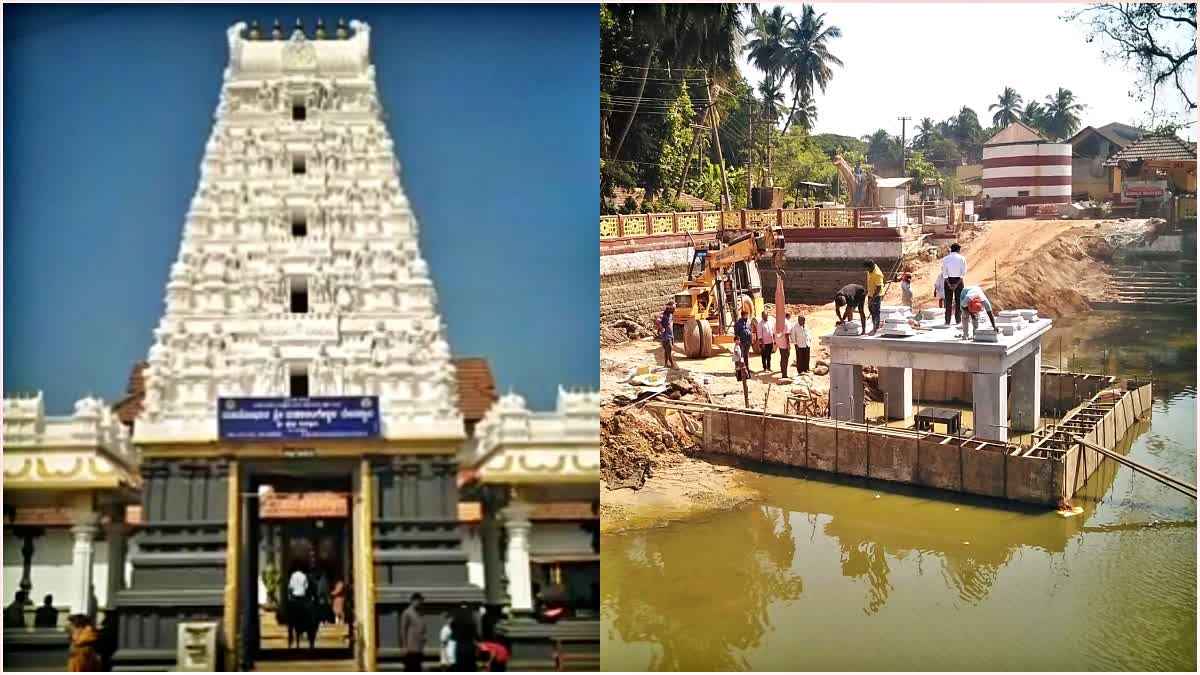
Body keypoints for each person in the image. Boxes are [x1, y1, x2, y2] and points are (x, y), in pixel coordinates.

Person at [941, 242, 967, 326]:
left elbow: (944, 273)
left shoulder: (945, 259)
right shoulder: (962, 258)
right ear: (958, 250)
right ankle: (958, 320)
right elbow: (963, 273)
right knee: (959, 301)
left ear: (951, 250)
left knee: (948, 302)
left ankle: (947, 321)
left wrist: (949, 284)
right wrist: (956, 284)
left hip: (948, 280)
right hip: (958, 281)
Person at [450, 602, 480, 672]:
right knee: (470, 666)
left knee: (461, 667)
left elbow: (453, 630)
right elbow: (476, 634)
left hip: (460, 646)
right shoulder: (471, 619)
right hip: (470, 646)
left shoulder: (456, 618)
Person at [400, 592, 426, 672]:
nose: (420, 603)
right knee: (410, 669)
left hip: (419, 648)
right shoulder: (407, 613)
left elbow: (423, 628)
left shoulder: (420, 613)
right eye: (419, 601)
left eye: (421, 601)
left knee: (417, 669)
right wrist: (404, 646)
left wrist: (423, 638)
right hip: (410, 648)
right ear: (413, 601)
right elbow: (403, 629)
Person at [286, 566, 309, 649]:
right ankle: (300, 637)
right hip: (301, 599)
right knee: (304, 617)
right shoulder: (304, 576)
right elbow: (306, 587)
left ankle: (290, 639)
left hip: (294, 599)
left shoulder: (293, 575)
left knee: (290, 621)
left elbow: (290, 587)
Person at [864, 260, 884, 334]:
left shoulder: (877, 274)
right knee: (871, 311)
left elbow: (879, 287)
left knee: (876, 312)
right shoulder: (870, 271)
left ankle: (875, 330)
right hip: (870, 293)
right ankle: (874, 327)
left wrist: (872, 298)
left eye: (867, 268)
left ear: (871, 266)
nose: (867, 270)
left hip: (876, 295)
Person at [774, 312, 792, 379]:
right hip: (784, 344)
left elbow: (774, 333)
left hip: (780, 343)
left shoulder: (777, 322)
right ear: (788, 316)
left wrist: (776, 341)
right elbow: (787, 334)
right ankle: (784, 374)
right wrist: (788, 344)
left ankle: (782, 371)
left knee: (782, 358)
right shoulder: (786, 323)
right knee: (785, 359)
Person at [659, 302, 676, 369]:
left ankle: (666, 364)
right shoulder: (662, 315)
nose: (674, 310)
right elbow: (657, 322)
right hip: (666, 337)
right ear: (669, 309)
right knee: (669, 350)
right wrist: (661, 328)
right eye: (673, 309)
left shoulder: (670, 315)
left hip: (671, 335)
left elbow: (670, 324)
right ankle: (672, 364)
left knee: (667, 350)